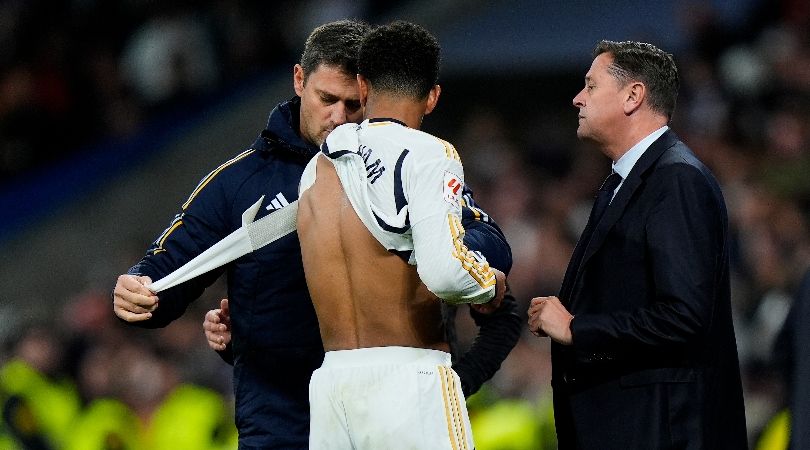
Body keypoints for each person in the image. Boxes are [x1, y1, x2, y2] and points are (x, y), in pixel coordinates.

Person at [113, 19, 519, 449]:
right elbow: (168, 271)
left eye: (352, 104)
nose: (338, 118)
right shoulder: (241, 183)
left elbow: (485, 238)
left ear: (368, 92)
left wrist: (430, 245)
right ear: (299, 80)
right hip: (282, 422)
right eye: (327, 99)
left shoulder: (397, 165)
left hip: (376, 399)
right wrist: (139, 286)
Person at [296, 20, 507, 449]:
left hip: (330, 386)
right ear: (433, 96)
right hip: (408, 378)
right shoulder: (429, 153)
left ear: (362, 84)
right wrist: (490, 284)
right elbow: (445, 273)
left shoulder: (316, 169)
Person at [527, 40, 747, 449]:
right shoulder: (624, 182)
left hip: (662, 430)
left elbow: (683, 316)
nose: (577, 99)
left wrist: (578, 328)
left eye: (590, 86)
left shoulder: (676, 180)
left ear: (633, 96)